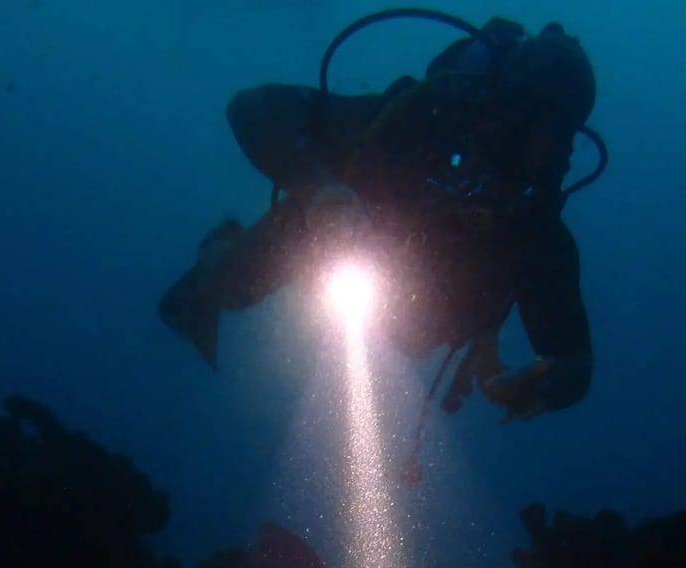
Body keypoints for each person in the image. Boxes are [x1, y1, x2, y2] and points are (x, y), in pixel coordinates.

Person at [159, 14, 599, 423]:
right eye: (513, 116)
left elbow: (574, 361)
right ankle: (219, 260)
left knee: (411, 324)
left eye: (545, 133)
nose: (514, 142)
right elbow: (254, 109)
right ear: (483, 96)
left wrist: (538, 389)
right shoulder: (401, 129)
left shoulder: (532, 228)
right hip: (328, 252)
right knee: (240, 281)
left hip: (405, 316)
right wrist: (322, 193)